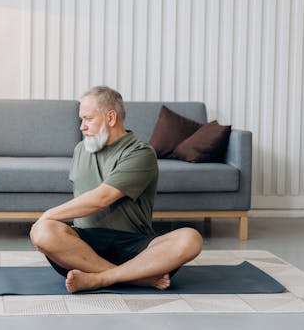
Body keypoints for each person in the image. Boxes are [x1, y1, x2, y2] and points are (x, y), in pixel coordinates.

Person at [30, 85, 203, 293]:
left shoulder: (141, 152)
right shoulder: (80, 150)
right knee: (43, 232)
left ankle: (101, 279)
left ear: (111, 118)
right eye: (81, 120)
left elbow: (102, 198)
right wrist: (45, 224)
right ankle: (136, 278)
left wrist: (47, 215)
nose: (81, 127)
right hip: (85, 248)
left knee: (190, 239)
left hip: (135, 248)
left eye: (88, 119)